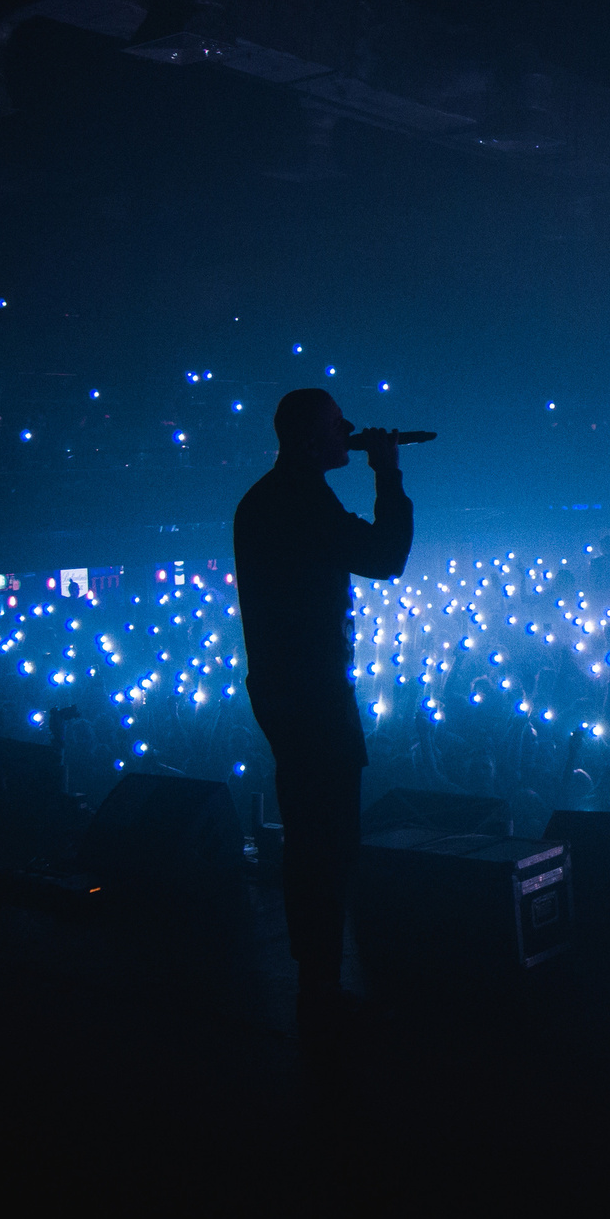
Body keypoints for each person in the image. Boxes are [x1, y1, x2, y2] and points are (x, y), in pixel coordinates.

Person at [234, 389, 414, 1041]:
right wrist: (387, 472)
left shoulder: (260, 499)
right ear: (314, 437)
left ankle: (317, 980)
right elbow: (385, 557)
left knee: (311, 836)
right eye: (341, 426)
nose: (352, 431)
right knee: (327, 841)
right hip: (312, 695)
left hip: (284, 691)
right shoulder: (302, 500)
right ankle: (322, 989)